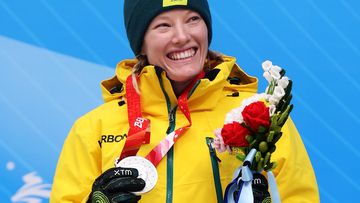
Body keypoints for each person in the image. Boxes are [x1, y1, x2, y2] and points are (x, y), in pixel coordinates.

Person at [50, 0, 320, 202]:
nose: (182, 36)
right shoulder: (93, 128)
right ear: (141, 43)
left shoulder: (259, 117)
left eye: (192, 19)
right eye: (163, 25)